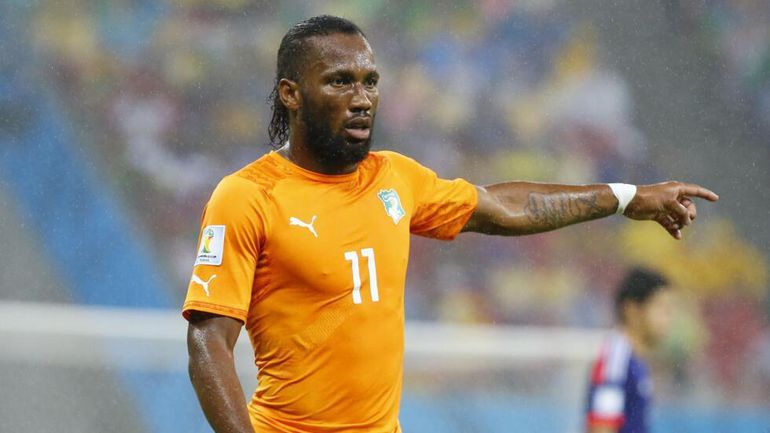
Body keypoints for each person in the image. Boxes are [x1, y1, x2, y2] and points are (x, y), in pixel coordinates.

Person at [182, 15, 718, 433]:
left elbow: (504, 207)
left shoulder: (395, 178)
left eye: (370, 82)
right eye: (340, 82)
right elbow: (208, 344)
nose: (362, 99)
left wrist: (626, 197)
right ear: (291, 93)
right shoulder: (247, 196)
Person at [584, 268, 672, 433]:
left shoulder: (635, 360)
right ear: (632, 309)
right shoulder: (616, 359)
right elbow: (601, 427)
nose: (668, 318)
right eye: (661, 307)